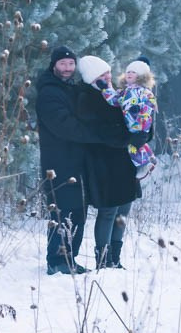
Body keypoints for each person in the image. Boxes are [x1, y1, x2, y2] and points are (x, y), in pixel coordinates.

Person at [35, 44, 132, 275]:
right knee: (63, 211)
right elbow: (67, 127)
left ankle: (69, 259)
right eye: (63, 64)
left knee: (76, 213)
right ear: (54, 65)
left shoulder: (68, 88)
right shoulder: (49, 92)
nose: (67, 68)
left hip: (76, 162)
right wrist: (101, 135)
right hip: (58, 163)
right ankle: (57, 261)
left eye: (71, 64)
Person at [76, 55, 150, 269]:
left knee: (124, 209)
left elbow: (138, 118)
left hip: (126, 161)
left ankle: (115, 258)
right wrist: (128, 138)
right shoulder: (86, 97)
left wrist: (144, 133)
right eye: (102, 74)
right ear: (92, 78)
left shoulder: (120, 93)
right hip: (103, 162)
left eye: (108, 72)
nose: (108, 76)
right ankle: (104, 259)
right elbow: (98, 131)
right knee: (109, 210)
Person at [99, 59, 158, 179]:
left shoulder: (145, 92)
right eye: (128, 71)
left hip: (138, 125)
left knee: (136, 146)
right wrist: (105, 88)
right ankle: (149, 160)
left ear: (141, 76)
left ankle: (144, 166)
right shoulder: (125, 92)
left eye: (134, 72)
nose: (129, 74)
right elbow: (114, 100)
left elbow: (148, 110)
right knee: (132, 147)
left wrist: (143, 129)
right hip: (128, 125)